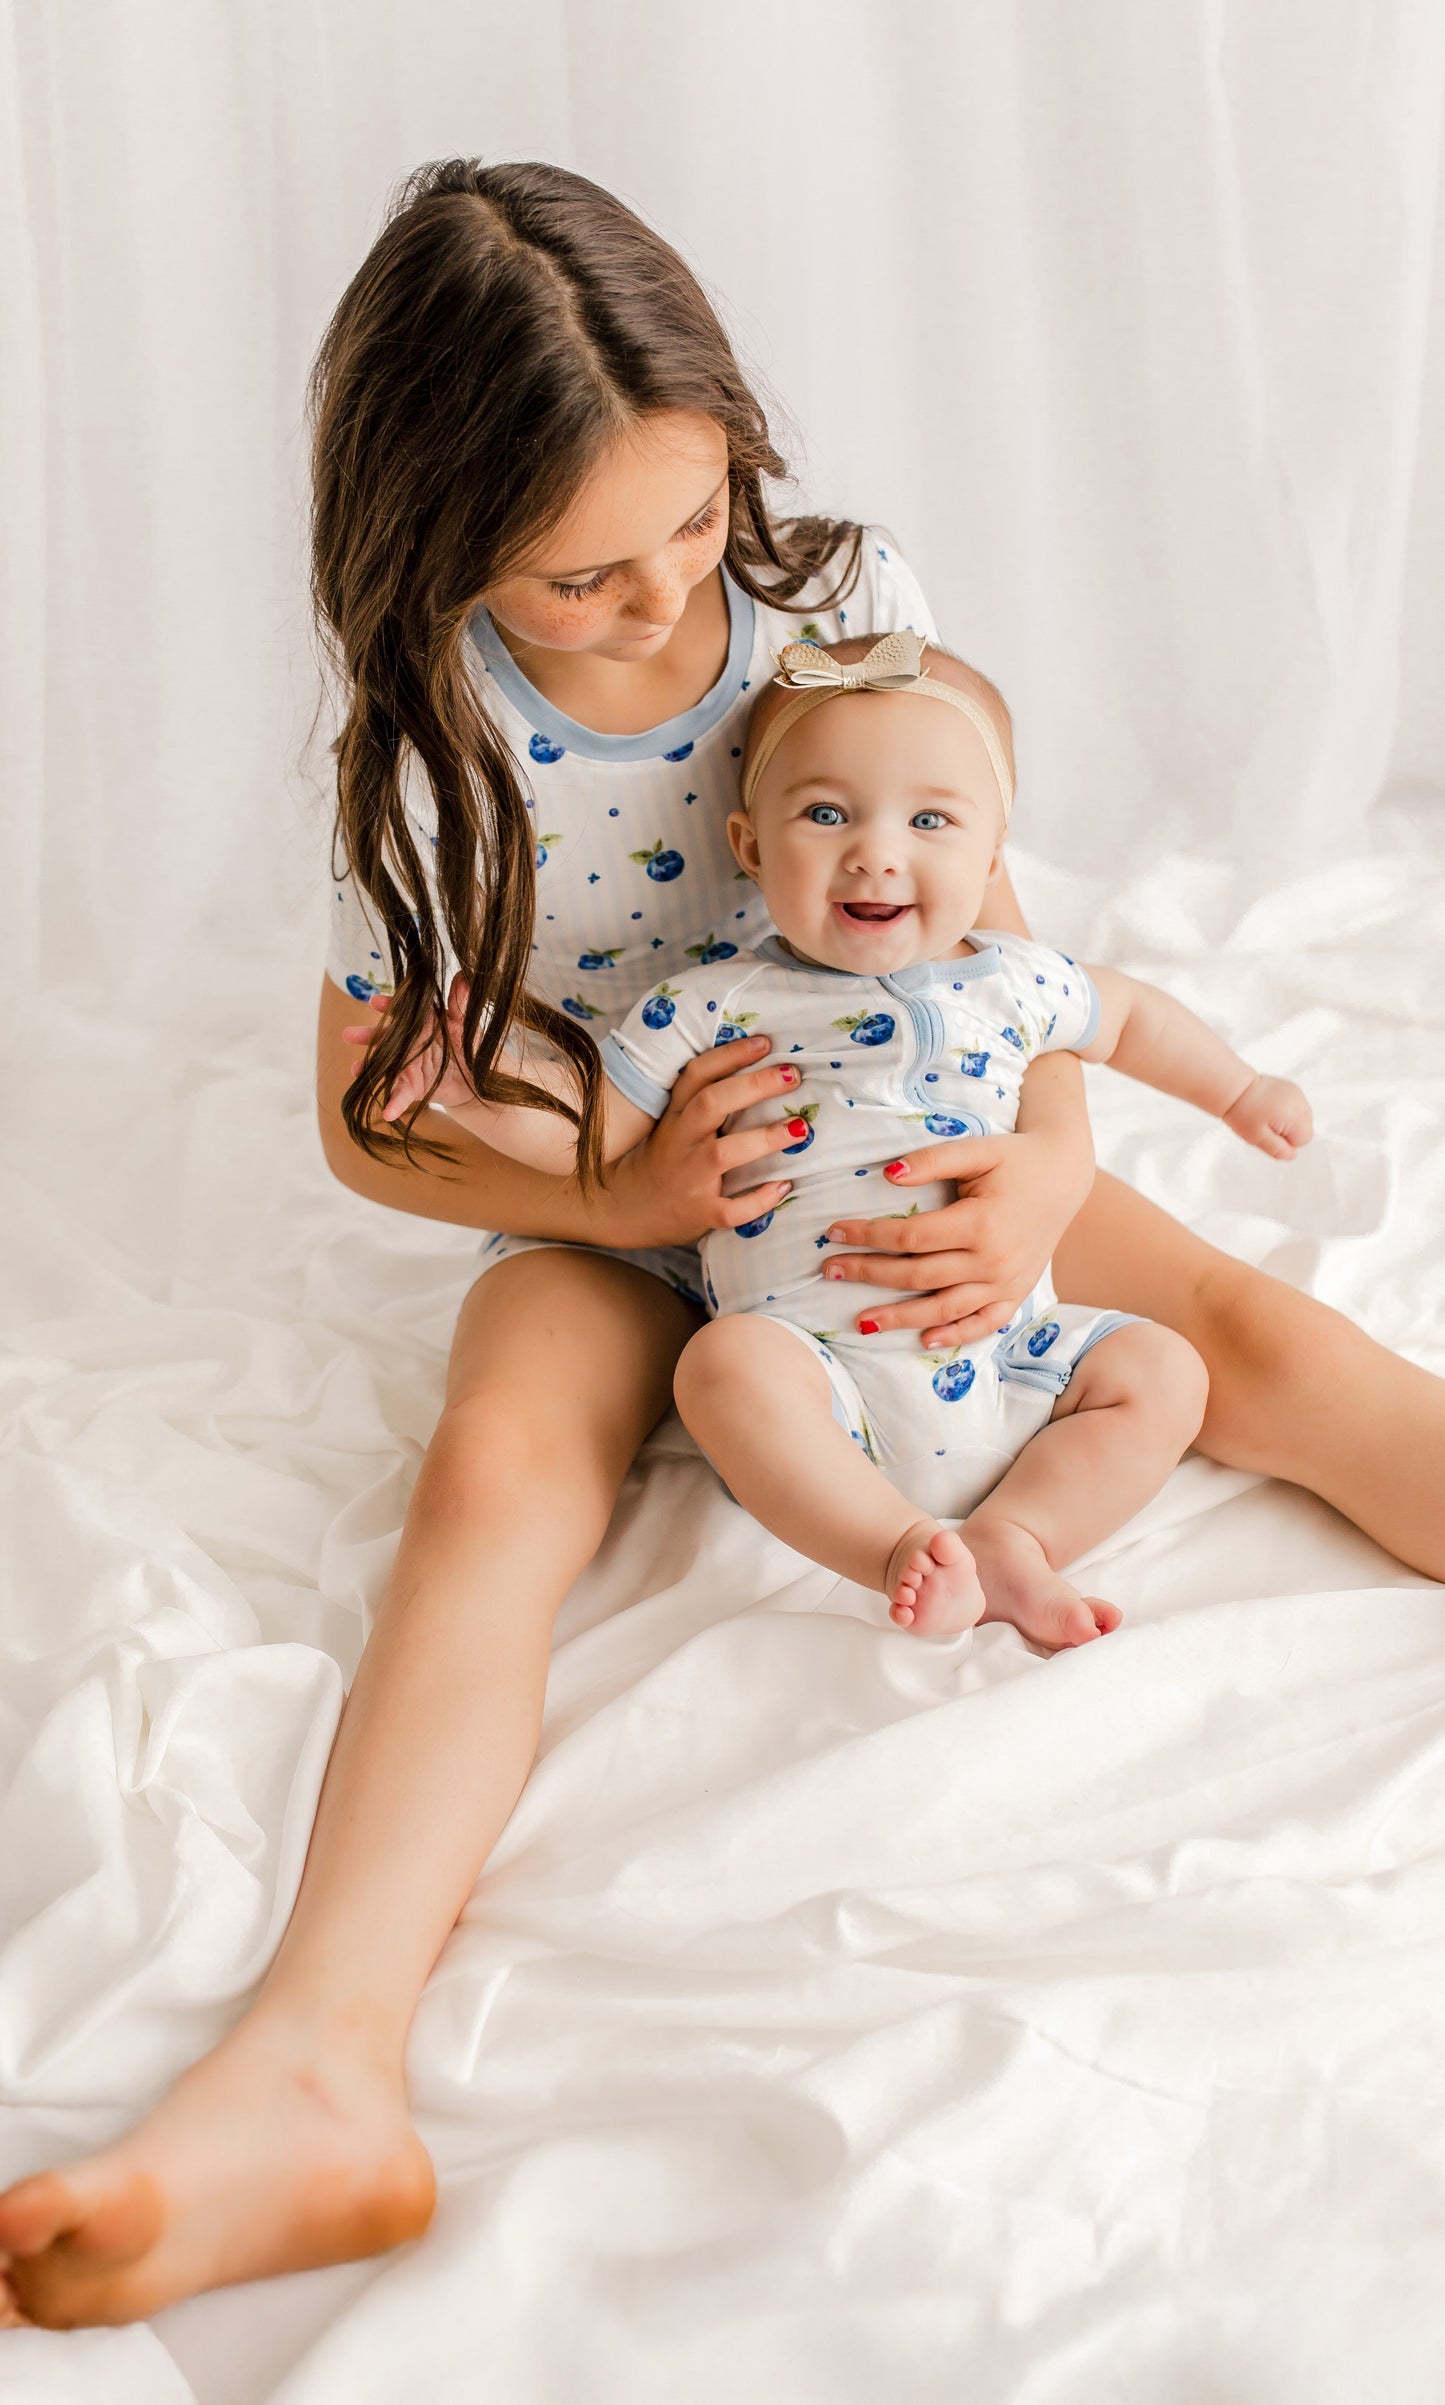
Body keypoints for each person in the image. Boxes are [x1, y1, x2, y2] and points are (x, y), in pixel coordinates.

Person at [2, 155, 1441, 2332]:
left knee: (1228, 1318)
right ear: (438, 548)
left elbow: (989, 923)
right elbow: (363, 1113)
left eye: (693, 521)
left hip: (915, 1135)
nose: (663, 595)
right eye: (582, 573)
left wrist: (1043, 1163)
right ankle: (314, 2075)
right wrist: (617, 1198)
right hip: (626, 1196)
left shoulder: (830, 589)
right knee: (495, 1476)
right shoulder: (430, 750)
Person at [373, 627, 1313, 1645]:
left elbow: (1128, 1019)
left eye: (928, 819)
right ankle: (892, 1543)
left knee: (1162, 1370)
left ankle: (1018, 1536)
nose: (876, 849)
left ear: (990, 853)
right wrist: (475, 1089)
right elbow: (591, 1124)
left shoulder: (1014, 977)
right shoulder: (714, 1001)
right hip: (817, 1375)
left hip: (1007, 1359)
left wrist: (1238, 1088)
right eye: (825, 813)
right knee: (720, 1368)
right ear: (749, 845)